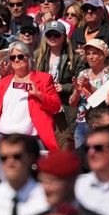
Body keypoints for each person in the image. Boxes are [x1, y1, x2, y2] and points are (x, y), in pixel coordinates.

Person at [0, 40, 61, 180]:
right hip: (4, 138)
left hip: (30, 141)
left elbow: (56, 106)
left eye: (20, 56)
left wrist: (38, 94)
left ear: (30, 58)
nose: (16, 60)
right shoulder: (4, 82)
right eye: (12, 58)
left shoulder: (43, 79)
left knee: (30, 182)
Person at [37, 21, 78, 149]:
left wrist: (63, 87)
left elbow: (82, 82)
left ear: (64, 36)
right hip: (43, 107)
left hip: (64, 109)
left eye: (56, 35)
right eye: (49, 35)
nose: (53, 38)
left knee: (64, 146)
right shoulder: (37, 55)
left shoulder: (75, 58)